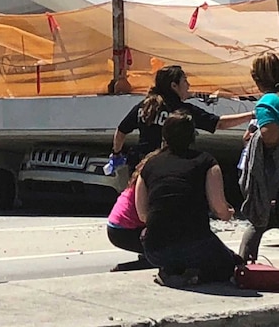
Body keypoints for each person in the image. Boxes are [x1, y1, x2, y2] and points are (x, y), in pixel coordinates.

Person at [135, 110, 239, 287]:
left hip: (155, 249)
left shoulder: (149, 165)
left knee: (176, 251)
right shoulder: (206, 161)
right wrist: (229, 213)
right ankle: (196, 276)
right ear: (193, 136)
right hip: (195, 243)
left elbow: (142, 214)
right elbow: (219, 208)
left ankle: (172, 270)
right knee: (230, 265)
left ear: (165, 136)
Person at [111, 65, 253, 165]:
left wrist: (116, 154)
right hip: (167, 167)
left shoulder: (145, 106)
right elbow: (219, 123)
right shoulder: (182, 110)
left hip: (141, 165)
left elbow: (121, 130)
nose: (189, 85)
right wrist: (251, 115)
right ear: (174, 86)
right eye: (185, 81)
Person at [238, 52, 279, 263]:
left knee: (258, 221)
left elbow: (269, 136)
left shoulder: (268, 101)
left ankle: (244, 267)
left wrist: (255, 138)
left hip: (273, 174)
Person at [107, 151, 158, 272]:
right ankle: (127, 267)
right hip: (123, 230)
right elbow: (146, 216)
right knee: (164, 253)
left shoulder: (138, 179)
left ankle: (146, 254)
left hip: (117, 226)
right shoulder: (147, 182)